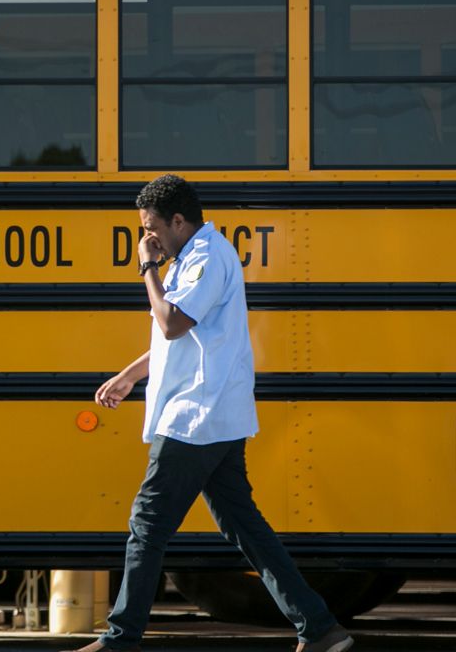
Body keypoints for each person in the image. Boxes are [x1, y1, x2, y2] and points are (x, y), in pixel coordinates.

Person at [64, 174, 353, 652]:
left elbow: (173, 322)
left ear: (179, 221)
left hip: (195, 417)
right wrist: (130, 376)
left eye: (152, 227)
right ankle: (321, 628)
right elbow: (176, 336)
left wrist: (147, 269)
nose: (147, 238)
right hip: (212, 416)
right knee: (247, 530)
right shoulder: (190, 259)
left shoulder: (206, 257)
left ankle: (120, 639)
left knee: (147, 525)